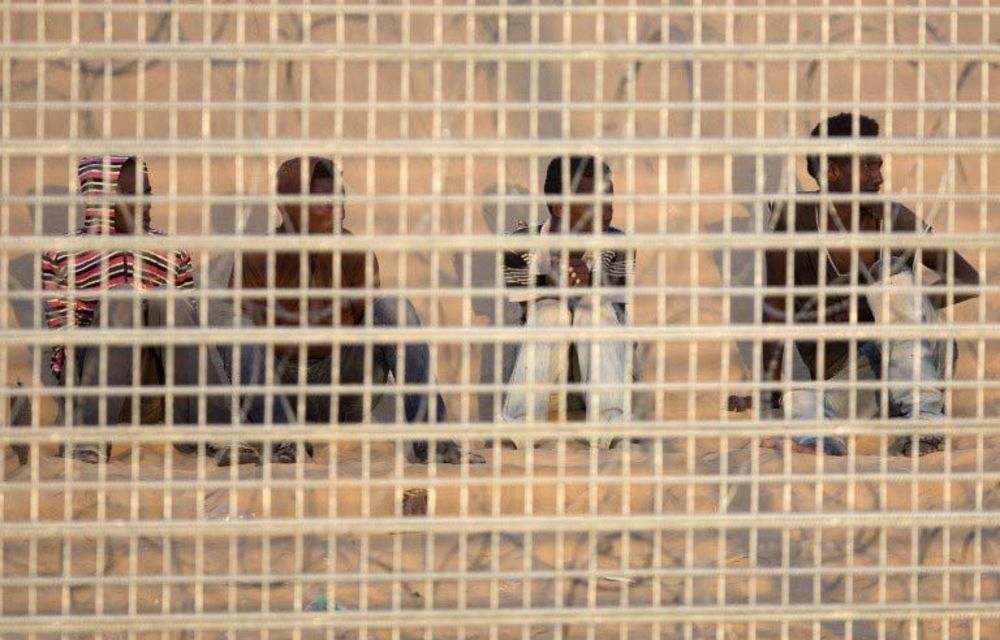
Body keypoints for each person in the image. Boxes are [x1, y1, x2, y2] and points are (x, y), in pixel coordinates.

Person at [231, 156, 476, 464]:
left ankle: (433, 441)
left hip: (343, 387)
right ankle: (284, 441)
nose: (340, 212)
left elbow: (374, 324)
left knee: (392, 307)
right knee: (235, 327)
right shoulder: (257, 257)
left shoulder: (354, 253)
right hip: (282, 392)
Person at [763, 113, 980, 456]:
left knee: (889, 274)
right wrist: (770, 390)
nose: (879, 176)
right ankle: (823, 444)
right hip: (857, 376)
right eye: (867, 166)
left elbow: (969, 280)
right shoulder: (793, 222)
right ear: (832, 171)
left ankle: (925, 420)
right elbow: (775, 310)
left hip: (923, 358)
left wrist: (898, 301)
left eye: (878, 165)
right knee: (798, 399)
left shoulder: (893, 218)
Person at [41, 155, 257, 465]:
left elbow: (190, 333)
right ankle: (87, 439)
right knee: (124, 298)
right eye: (130, 195)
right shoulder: (61, 253)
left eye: (147, 193)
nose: (144, 204)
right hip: (96, 386)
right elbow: (62, 341)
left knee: (169, 300)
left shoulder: (171, 250)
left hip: (157, 392)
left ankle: (223, 433)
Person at [500, 155, 635, 449]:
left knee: (595, 308)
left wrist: (590, 282)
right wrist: (553, 282)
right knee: (550, 311)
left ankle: (612, 427)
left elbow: (618, 305)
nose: (608, 211)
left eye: (610, 201)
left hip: (601, 378)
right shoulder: (520, 242)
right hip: (547, 383)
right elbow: (524, 305)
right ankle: (522, 427)